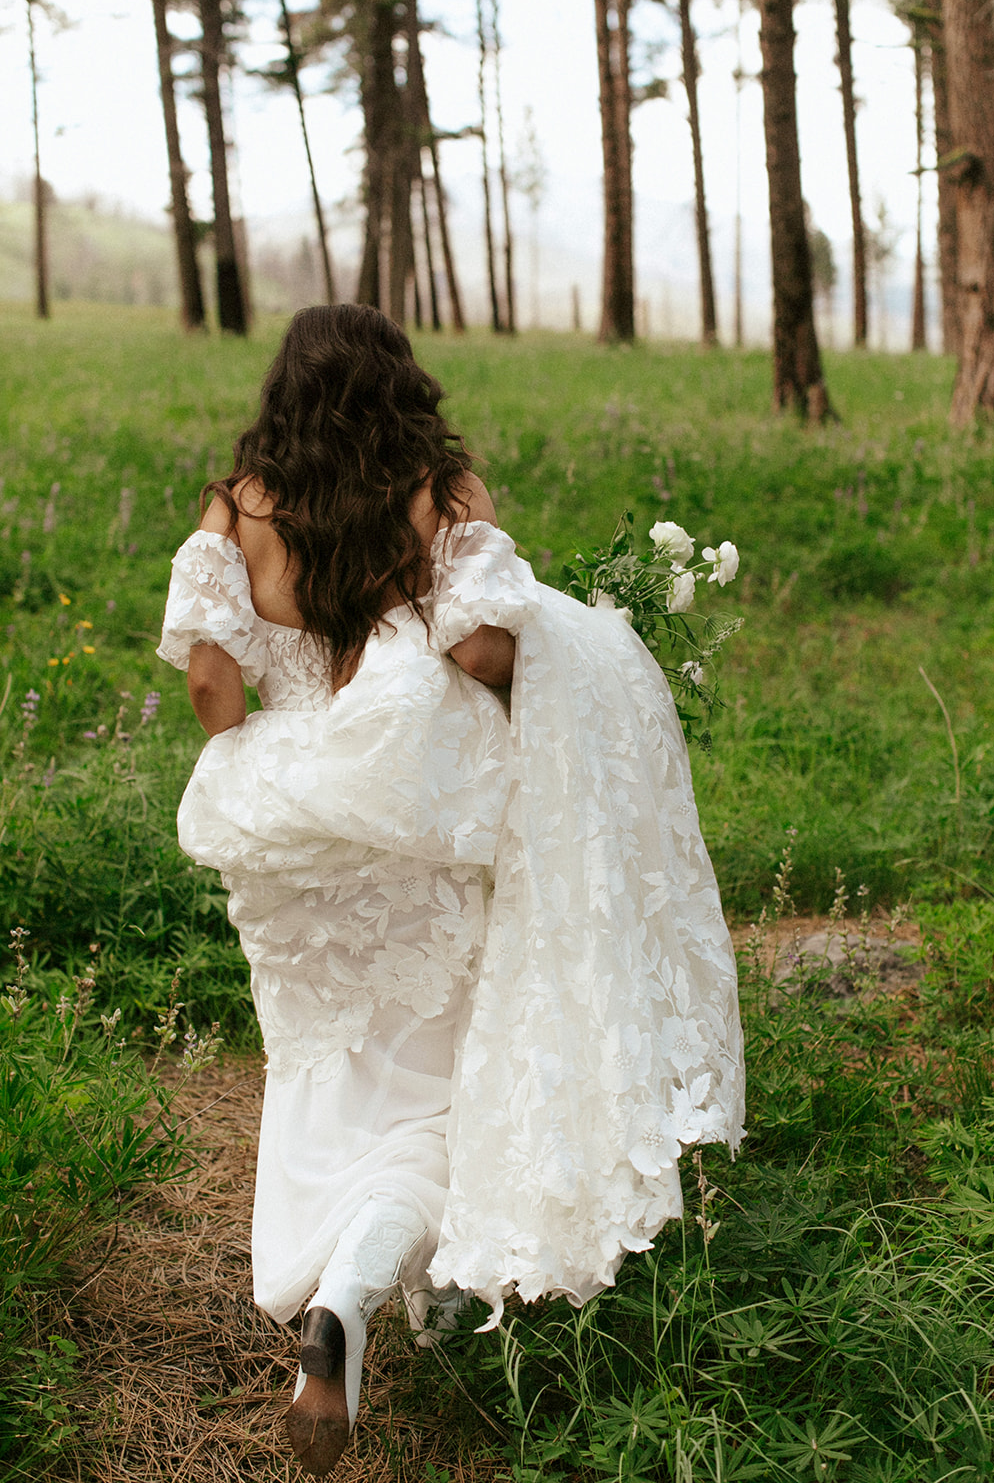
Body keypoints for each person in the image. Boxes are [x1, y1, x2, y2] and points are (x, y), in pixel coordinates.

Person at [158, 304, 744, 1477]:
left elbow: (214, 687)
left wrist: (277, 753)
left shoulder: (235, 509)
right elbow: (482, 652)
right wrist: (590, 668)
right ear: (398, 383)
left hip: (293, 831)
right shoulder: (435, 485)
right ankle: (354, 1292)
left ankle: (327, 1286)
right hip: (421, 817)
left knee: (330, 1069)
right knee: (436, 1098)